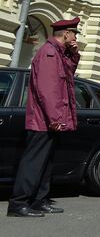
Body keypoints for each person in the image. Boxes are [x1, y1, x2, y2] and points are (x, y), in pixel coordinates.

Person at [7, 17, 80, 218]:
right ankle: (18, 203)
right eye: (74, 33)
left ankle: (40, 200)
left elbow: (70, 73)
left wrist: (74, 54)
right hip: (44, 120)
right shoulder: (49, 53)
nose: (75, 37)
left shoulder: (58, 53)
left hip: (48, 120)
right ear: (66, 34)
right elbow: (47, 91)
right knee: (33, 162)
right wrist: (55, 118)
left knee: (45, 162)